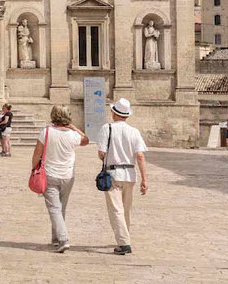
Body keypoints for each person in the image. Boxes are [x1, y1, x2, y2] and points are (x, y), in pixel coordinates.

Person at [31, 105, 88, 253]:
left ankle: (63, 239)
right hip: (68, 176)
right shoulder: (72, 135)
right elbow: (86, 140)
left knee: (55, 208)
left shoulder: (46, 132)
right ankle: (55, 239)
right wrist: (73, 127)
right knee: (60, 208)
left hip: (50, 175)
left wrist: (33, 169)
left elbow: (37, 154)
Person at [97, 98, 148, 255]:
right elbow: (139, 155)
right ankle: (125, 237)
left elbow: (101, 153)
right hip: (130, 174)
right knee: (126, 209)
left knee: (116, 210)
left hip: (112, 173)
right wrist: (144, 179)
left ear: (113, 112)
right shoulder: (134, 131)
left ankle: (124, 243)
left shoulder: (107, 128)